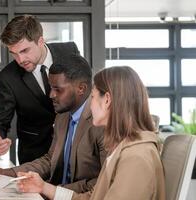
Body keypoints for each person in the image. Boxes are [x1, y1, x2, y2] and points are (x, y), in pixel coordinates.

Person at [16, 66, 166, 200]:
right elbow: (93, 197)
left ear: (107, 100)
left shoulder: (136, 157)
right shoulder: (125, 148)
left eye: (92, 97)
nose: (89, 105)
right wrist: (44, 187)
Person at [0, 54, 106, 193]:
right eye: (50, 87)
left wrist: (51, 190)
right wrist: (5, 172)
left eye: (57, 89)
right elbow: (50, 160)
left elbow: (102, 183)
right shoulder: (62, 116)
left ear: (81, 88)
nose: (51, 95)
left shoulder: (102, 123)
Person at [0, 15, 80, 164]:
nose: (20, 60)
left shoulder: (70, 51)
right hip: (34, 156)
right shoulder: (7, 78)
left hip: (74, 149)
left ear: (41, 41)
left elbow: (84, 92)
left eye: (25, 50)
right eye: (14, 54)